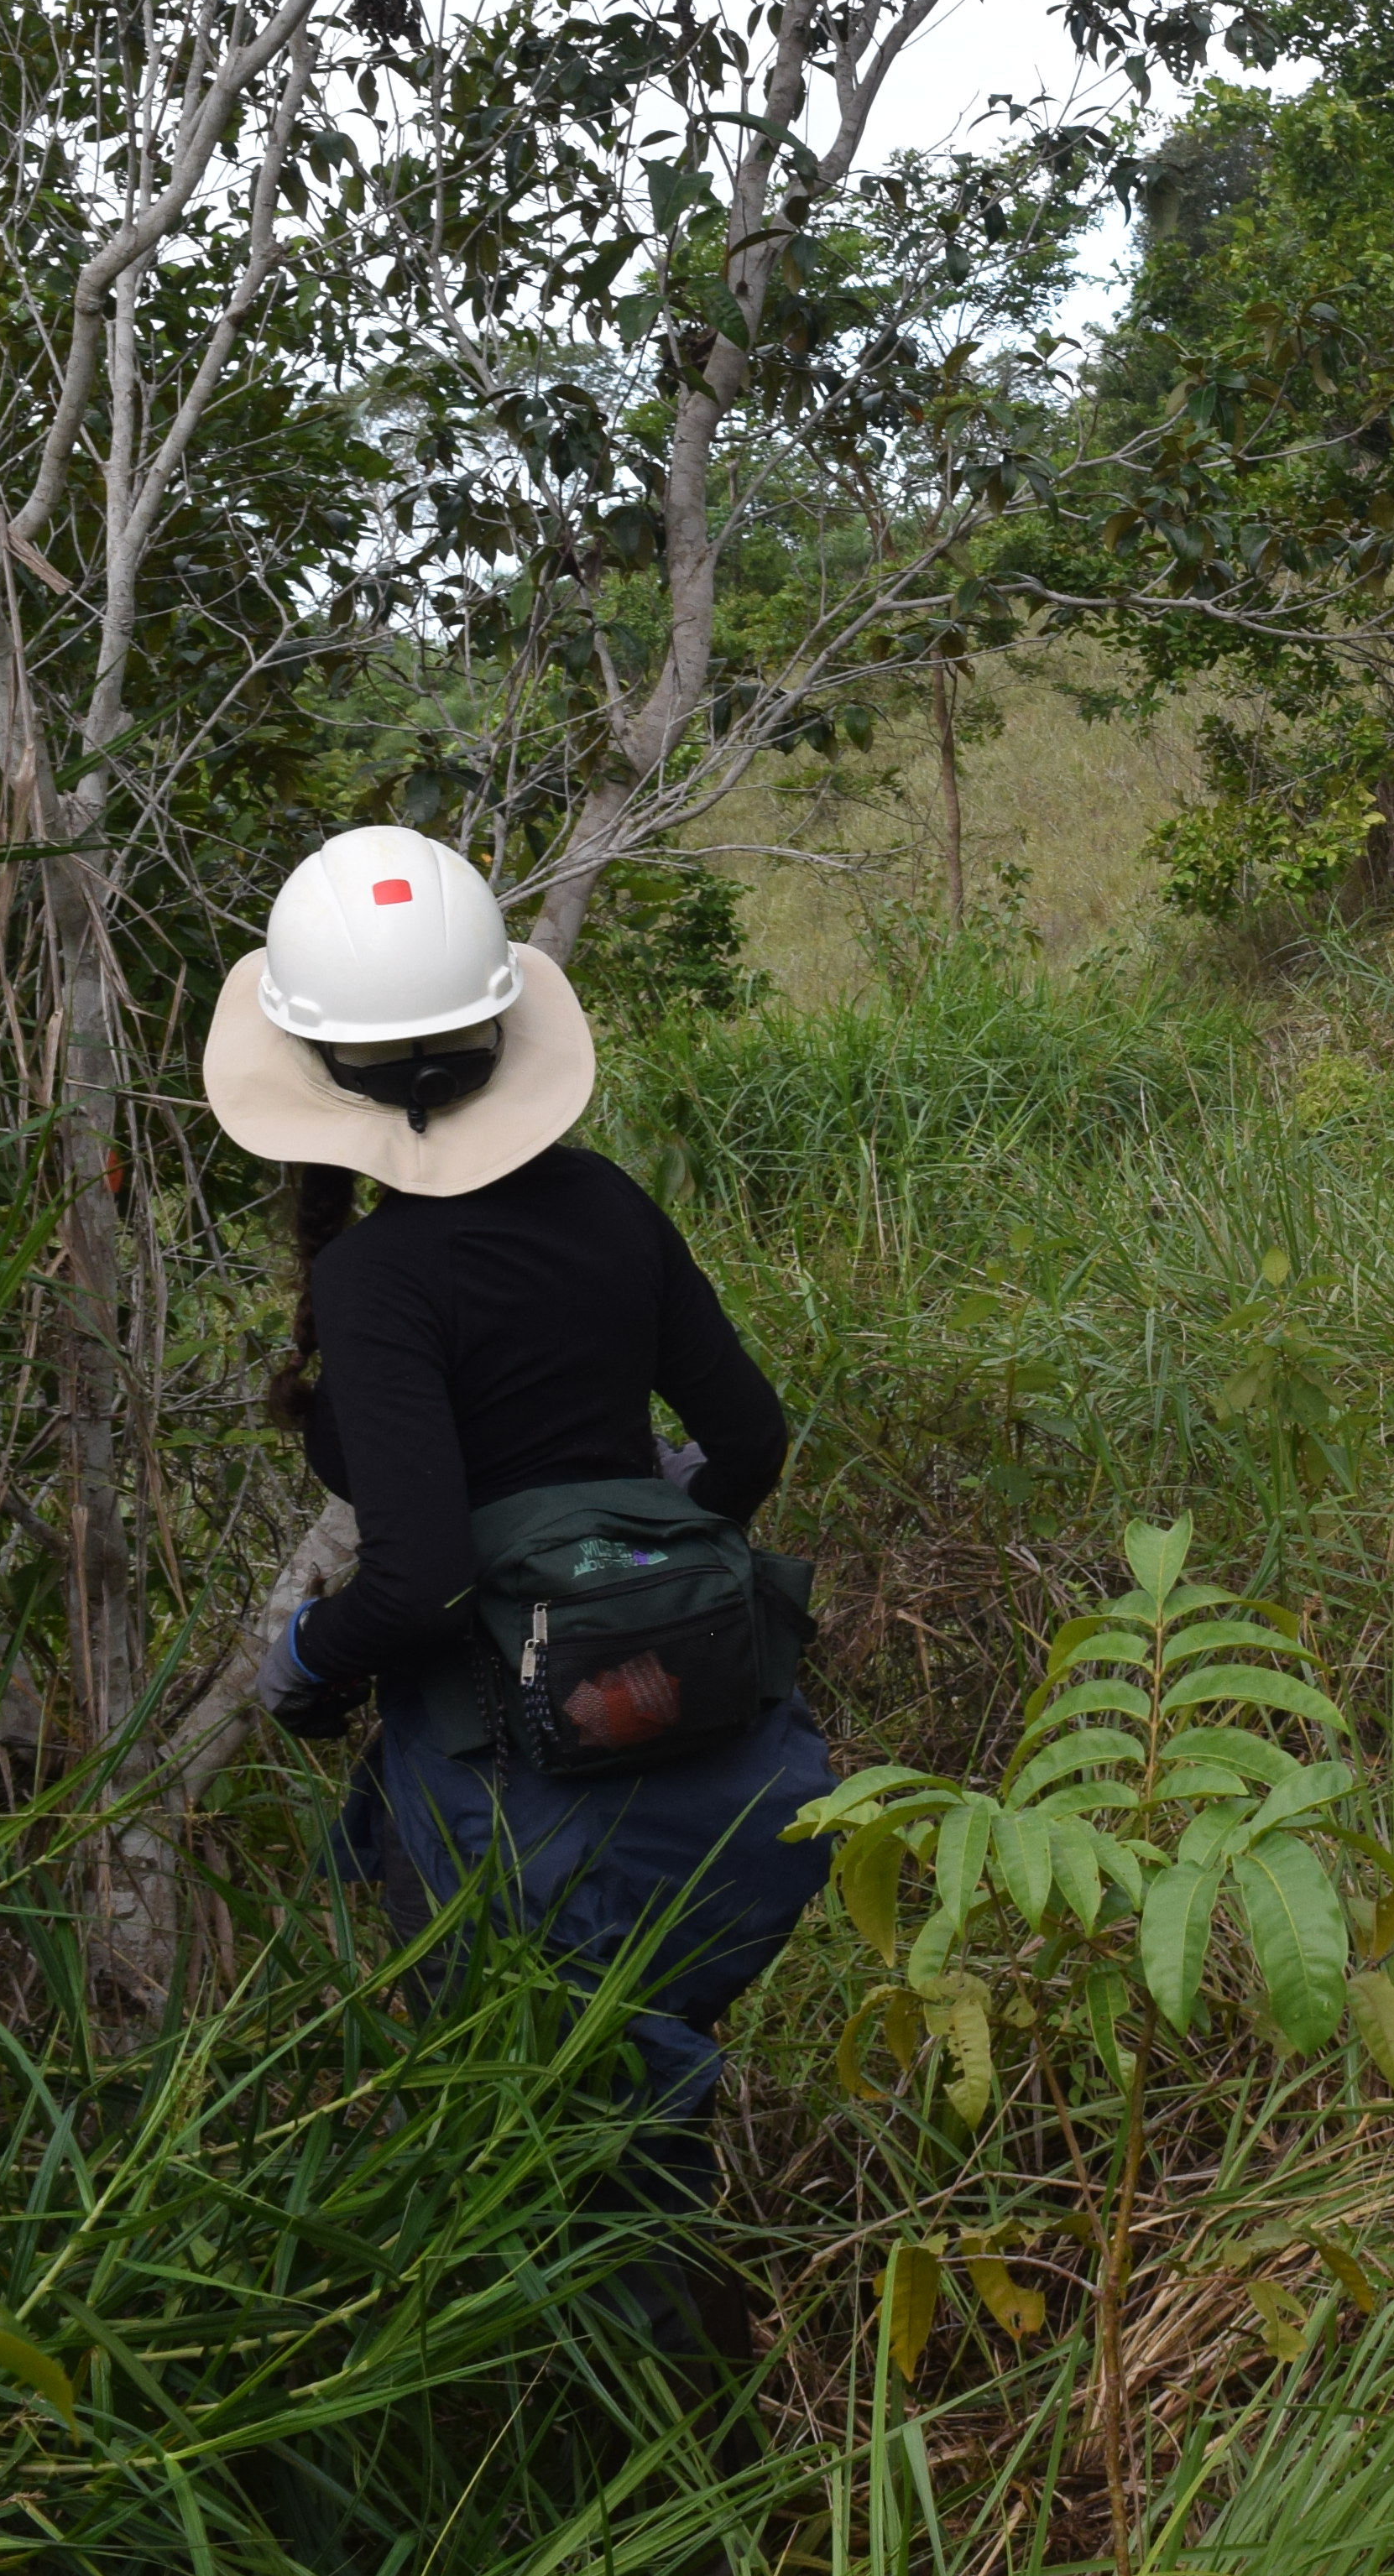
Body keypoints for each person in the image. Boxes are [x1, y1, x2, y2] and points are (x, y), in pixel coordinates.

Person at [204, 823, 833, 2344]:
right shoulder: (607, 1202)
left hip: (514, 1781)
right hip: (722, 1762)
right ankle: (708, 2381)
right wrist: (651, 1532)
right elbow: (746, 1437)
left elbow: (417, 1577)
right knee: (636, 2107)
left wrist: (301, 1662)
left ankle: (654, 2443)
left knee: (571, 2142)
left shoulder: (373, 1280)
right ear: (499, 1033)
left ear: (320, 1084)